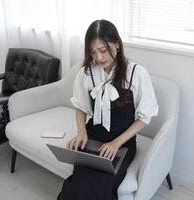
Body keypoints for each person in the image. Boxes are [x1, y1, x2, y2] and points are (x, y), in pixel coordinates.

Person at [58, 19, 158, 200]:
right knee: (82, 180)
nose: (98, 58)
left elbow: (145, 118)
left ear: (117, 44)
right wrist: (81, 132)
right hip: (92, 137)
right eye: (93, 52)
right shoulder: (86, 73)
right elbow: (80, 107)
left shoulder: (136, 74)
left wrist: (115, 143)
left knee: (100, 183)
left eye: (103, 50)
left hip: (122, 144)